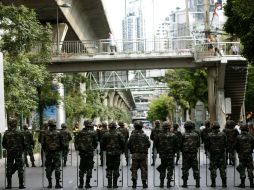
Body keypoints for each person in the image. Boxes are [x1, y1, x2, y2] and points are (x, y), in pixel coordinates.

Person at [2, 118, 26, 189]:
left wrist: (9, 148)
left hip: (10, 152)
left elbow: (3, 144)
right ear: (15, 124)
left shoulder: (6, 133)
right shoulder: (20, 132)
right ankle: (21, 185)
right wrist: (22, 149)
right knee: (20, 168)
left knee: (9, 167)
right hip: (18, 152)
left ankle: (9, 185)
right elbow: (24, 143)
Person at [100, 121, 125, 188]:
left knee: (109, 168)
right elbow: (123, 143)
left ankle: (109, 184)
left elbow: (102, 143)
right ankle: (115, 184)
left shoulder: (106, 134)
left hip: (109, 154)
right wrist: (122, 150)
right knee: (116, 168)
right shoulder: (119, 134)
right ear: (115, 127)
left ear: (109, 127)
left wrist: (104, 149)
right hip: (117, 153)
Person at [75, 119, 98, 188]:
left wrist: (79, 148)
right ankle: (87, 184)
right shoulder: (93, 132)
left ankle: (81, 184)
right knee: (89, 167)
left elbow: (76, 142)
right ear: (90, 125)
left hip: (82, 152)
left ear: (84, 125)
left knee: (82, 168)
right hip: (90, 152)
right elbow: (95, 143)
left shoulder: (80, 132)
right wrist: (93, 148)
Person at [155, 121, 178, 187]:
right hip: (171, 155)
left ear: (163, 127)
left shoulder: (159, 135)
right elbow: (176, 145)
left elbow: (156, 144)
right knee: (170, 169)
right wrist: (174, 152)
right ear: (170, 127)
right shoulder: (173, 135)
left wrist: (160, 150)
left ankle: (161, 183)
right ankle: (168, 183)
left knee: (163, 168)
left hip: (163, 155)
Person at [128, 121, 151, 188]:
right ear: (141, 127)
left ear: (134, 127)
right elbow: (149, 144)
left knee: (134, 169)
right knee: (143, 169)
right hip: (143, 155)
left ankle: (134, 184)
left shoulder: (132, 136)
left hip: (135, 155)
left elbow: (128, 145)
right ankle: (144, 184)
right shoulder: (145, 136)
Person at [42, 119, 64, 189]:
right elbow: (63, 143)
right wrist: (61, 149)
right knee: (57, 167)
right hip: (56, 152)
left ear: (48, 125)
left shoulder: (45, 133)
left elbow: (42, 143)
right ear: (55, 124)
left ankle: (49, 184)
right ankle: (57, 184)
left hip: (48, 152)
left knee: (48, 167)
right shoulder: (59, 133)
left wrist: (45, 149)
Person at [206, 121, 227, 187]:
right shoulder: (223, 134)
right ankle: (224, 183)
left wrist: (208, 151)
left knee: (213, 168)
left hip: (213, 155)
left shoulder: (209, 135)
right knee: (222, 169)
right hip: (221, 154)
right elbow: (226, 144)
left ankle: (213, 183)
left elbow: (207, 145)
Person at [181, 120, 200, 188]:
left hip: (185, 155)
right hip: (194, 154)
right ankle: (197, 183)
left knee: (185, 169)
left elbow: (180, 144)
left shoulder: (182, 135)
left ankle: (185, 183)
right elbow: (198, 144)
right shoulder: (196, 135)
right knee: (195, 169)